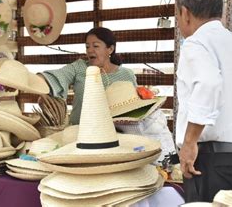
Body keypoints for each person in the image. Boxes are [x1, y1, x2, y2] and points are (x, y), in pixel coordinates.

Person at [175, 0, 232, 202]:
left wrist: (189, 142)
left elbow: (208, 83)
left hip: (210, 162)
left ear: (185, 13)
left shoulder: (196, 44)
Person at [40, 27, 175, 159]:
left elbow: (134, 108)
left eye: (96, 46)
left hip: (114, 138)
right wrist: (37, 81)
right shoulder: (80, 67)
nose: (90, 50)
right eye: (87, 46)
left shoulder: (126, 74)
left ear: (110, 49)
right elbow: (60, 75)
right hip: (78, 135)